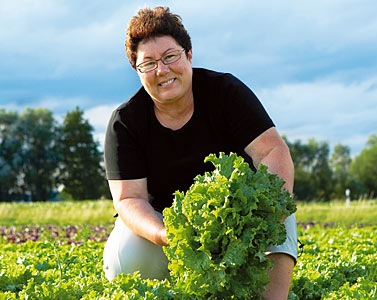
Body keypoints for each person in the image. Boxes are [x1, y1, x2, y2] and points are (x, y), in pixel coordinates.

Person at [103, 6, 298, 300]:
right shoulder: (126, 121)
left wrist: (270, 215)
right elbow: (129, 199)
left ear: (189, 54)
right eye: (149, 63)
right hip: (168, 226)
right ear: (137, 71)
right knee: (129, 251)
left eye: (170, 56)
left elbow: (272, 150)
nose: (162, 70)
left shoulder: (226, 92)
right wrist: (168, 235)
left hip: (238, 218)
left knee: (278, 206)